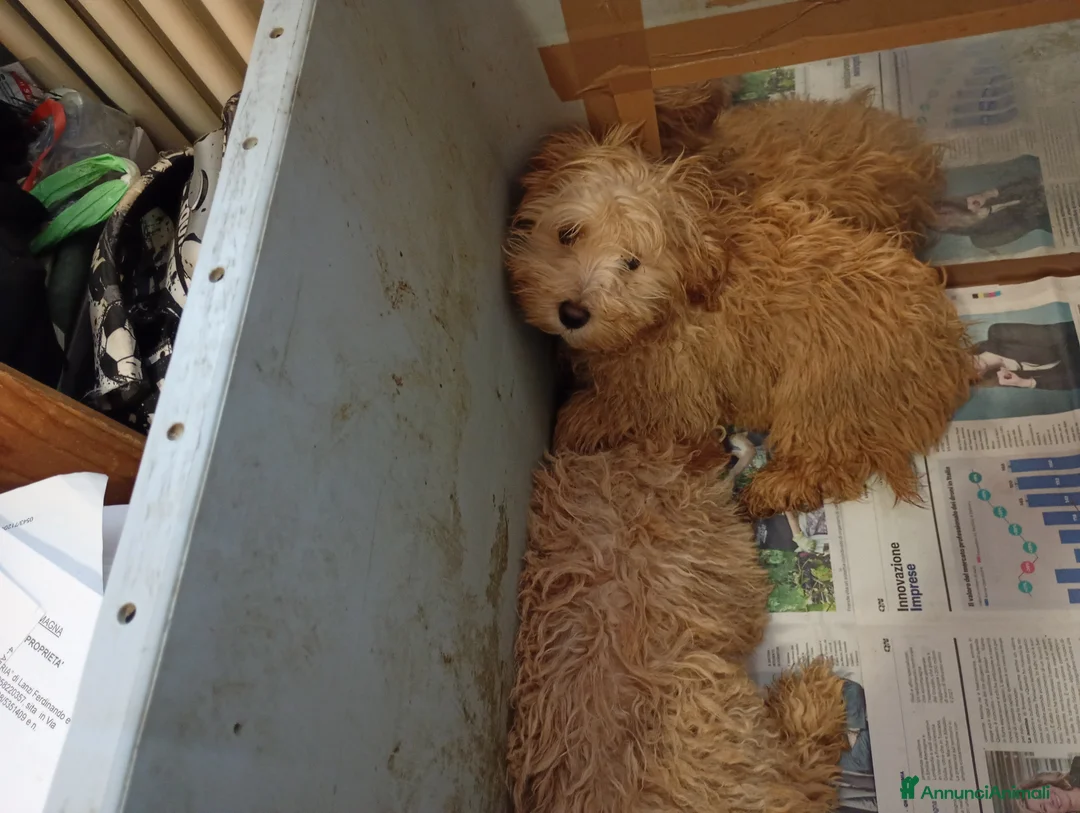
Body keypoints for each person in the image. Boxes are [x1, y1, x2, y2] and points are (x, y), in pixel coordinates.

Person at [935, 174, 1052, 249]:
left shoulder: (972, 200)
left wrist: (988, 194)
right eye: (938, 216)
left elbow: (1021, 183)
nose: (943, 211)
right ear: (942, 228)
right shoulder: (980, 240)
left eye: (939, 208)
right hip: (1045, 215)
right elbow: (1025, 227)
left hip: (1044, 189)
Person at [973, 322, 1080, 391]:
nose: (967, 371)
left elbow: (1060, 336)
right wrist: (1026, 383)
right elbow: (1073, 382)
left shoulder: (997, 333)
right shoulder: (1007, 378)